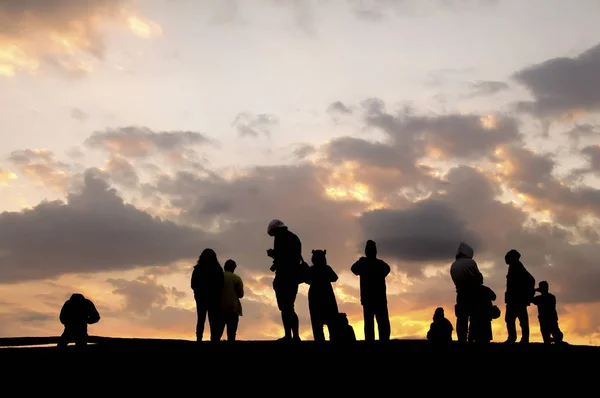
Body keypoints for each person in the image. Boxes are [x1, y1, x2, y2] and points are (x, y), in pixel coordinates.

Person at [267, 219, 303, 341]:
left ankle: (289, 335)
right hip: (293, 277)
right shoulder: (294, 237)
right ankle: (295, 336)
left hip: (284, 277)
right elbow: (292, 257)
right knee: (289, 307)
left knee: (285, 307)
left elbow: (283, 257)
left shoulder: (280, 238)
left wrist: (272, 254)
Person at [351, 240, 391, 341]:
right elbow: (353, 269)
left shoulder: (365, 263)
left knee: (375, 324)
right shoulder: (378, 264)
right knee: (379, 324)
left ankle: (374, 343)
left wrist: (362, 261)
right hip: (376, 298)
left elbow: (354, 269)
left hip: (370, 298)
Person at [449, 242, 483, 343]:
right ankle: (471, 338)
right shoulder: (471, 263)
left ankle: (461, 339)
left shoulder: (453, 265)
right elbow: (479, 278)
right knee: (474, 317)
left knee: (461, 318)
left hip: (460, 294)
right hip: (473, 293)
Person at [191, 248, 224, 342]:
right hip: (214, 298)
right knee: (213, 320)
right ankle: (213, 339)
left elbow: (193, 284)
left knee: (201, 319)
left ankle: (199, 338)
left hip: (201, 297)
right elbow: (221, 284)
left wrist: (197, 292)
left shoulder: (197, 269)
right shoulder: (218, 269)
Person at [306, 249, 339, 341]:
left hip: (316, 296)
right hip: (326, 295)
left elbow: (307, 280)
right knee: (331, 322)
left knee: (317, 323)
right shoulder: (326, 268)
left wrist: (307, 271)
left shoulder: (313, 269)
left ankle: (320, 342)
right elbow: (334, 278)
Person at [504, 249, 535, 344]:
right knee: (512, 319)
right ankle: (515, 338)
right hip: (514, 299)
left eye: (507, 258)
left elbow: (531, 280)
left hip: (517, 299)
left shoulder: (517, 267)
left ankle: (519, 338)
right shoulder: (514, 267)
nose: (505, 260)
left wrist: (526, 294)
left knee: (519, 320)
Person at [221, 259, 244, 342]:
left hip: (219, 307)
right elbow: (241, 295)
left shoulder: (218, 277)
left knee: (217, 333)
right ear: (234, 268)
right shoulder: (237, 279)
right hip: (233, 308)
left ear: (224, 267)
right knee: (231, 334)